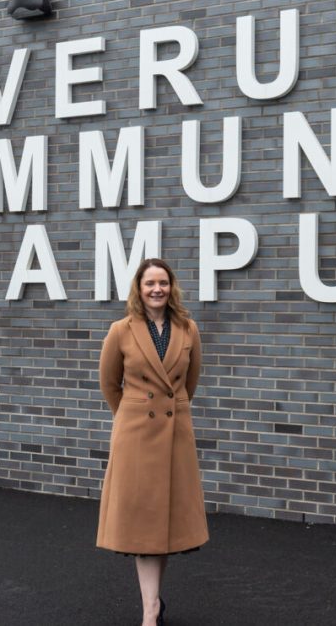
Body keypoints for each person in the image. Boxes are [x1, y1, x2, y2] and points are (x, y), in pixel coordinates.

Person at [97, 258, 208, 626]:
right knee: (143, 527)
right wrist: (130, 416)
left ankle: (154, 604)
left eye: (163, 282)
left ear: (171, 287)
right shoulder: (121, 330)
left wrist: (172, 409)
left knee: (164, 526)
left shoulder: (188, 329)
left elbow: (189, 384)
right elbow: (109, 384)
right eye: (149, 284)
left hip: (175, 437)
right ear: (138, 288)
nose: (157, 289)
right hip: (136, 438)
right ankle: (150, 610)